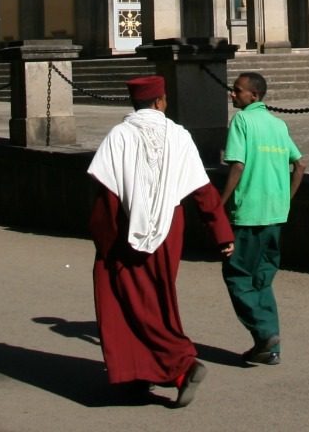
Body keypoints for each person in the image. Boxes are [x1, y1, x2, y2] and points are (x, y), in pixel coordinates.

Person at [87, 75, 234, 407]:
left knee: (127, 299)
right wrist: (221, 233)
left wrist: (105, 242)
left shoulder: (119, 136)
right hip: (170, 229)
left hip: (124, 229)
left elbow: (106, 196)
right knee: (158, 296)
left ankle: (182, 364)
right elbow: (202, 189)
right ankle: (139, 373)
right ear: (159, 102)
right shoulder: (179, 136)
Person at [219, 72, 304, 366]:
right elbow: (300, 163)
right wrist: (287, 198)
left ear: (253, 96)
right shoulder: (278, 125)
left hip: (249, 213)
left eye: (237, 90)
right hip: (275, 214)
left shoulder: (242, 122)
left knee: (238, 276)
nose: (232, 94)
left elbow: (238, 165)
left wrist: (220, 204)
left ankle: (265, 333)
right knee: (263, 278)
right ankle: (270, 346)